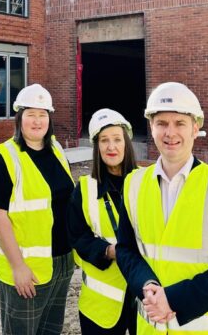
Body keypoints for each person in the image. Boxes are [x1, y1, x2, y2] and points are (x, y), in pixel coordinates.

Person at [116, 82, 208, 334]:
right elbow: (126, 250)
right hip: (153, 328)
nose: (170, 133)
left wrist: (174, 299)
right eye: (162, 123)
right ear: (151, 126)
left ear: (195, 127)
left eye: (179, 123)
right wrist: (146, 285)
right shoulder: (133, 184)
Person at [0, 83, 74, 335]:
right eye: (30, 115)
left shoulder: (56, 150)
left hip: (62, 262)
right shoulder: (4, 158)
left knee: (50, 330)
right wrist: (18, 267)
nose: (37, 121)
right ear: (19, 118)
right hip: (26, 269)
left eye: (43, 114)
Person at [68, 109, 138, 335]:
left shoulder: (146, 183)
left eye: (117, 139)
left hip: (145, 301)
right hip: (102, 306)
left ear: (126, 143)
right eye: (104, 141)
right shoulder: (85, 189)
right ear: (96, 147)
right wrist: (108, 251)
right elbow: (77, 237)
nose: (111, 147)